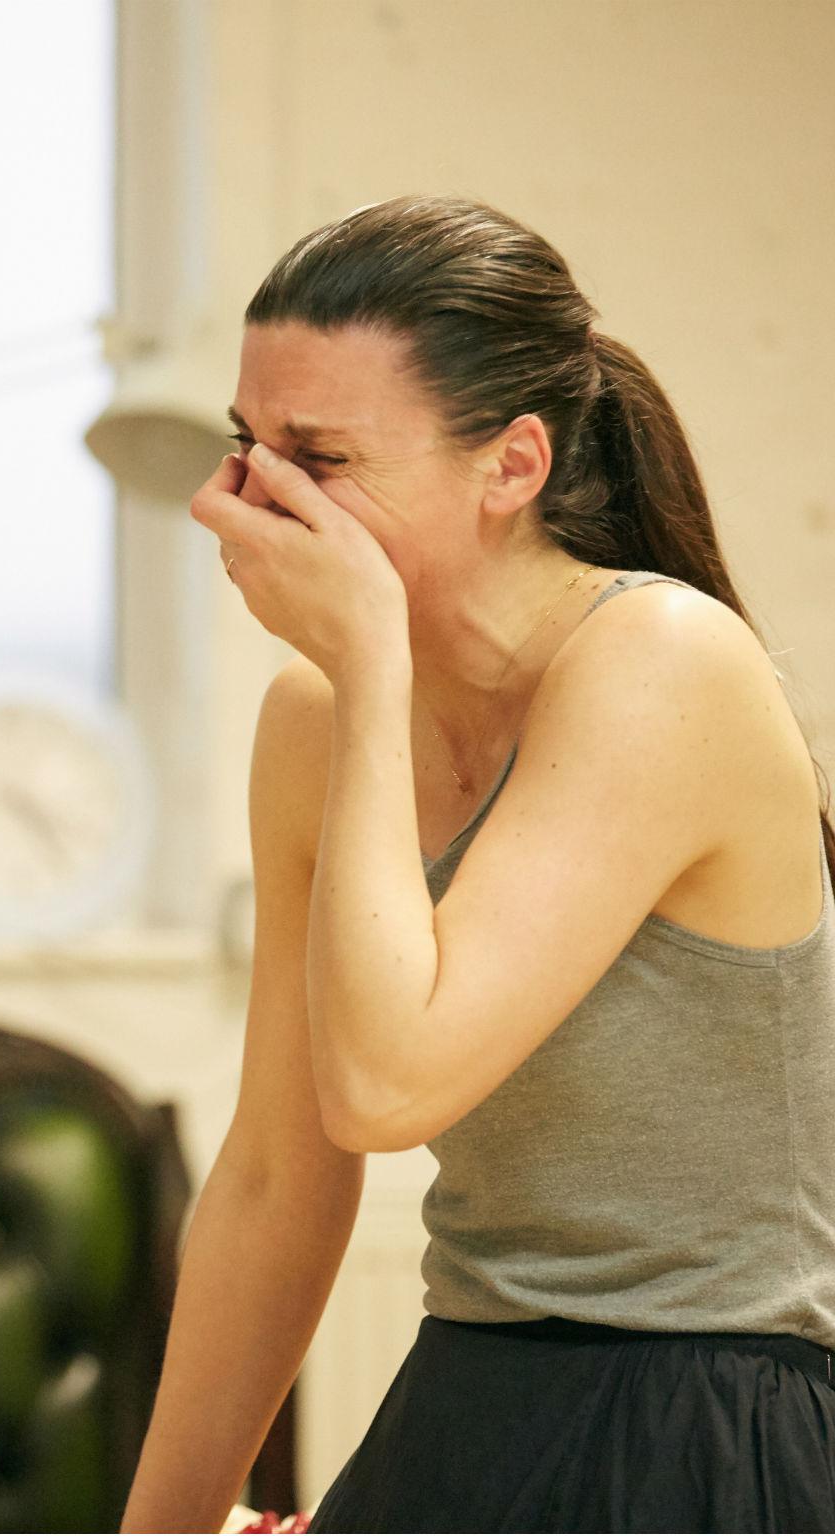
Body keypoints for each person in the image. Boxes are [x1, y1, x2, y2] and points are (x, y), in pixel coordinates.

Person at [121, 196, 835, 1532]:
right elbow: (281, 1173)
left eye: (317, 459)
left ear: (510, 468)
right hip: (468, 1393)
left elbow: (390, 1083)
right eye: (246, 447)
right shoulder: (317, 720)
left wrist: (372, 658)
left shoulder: (662, 663)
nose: (248, 503)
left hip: (708, 1417)